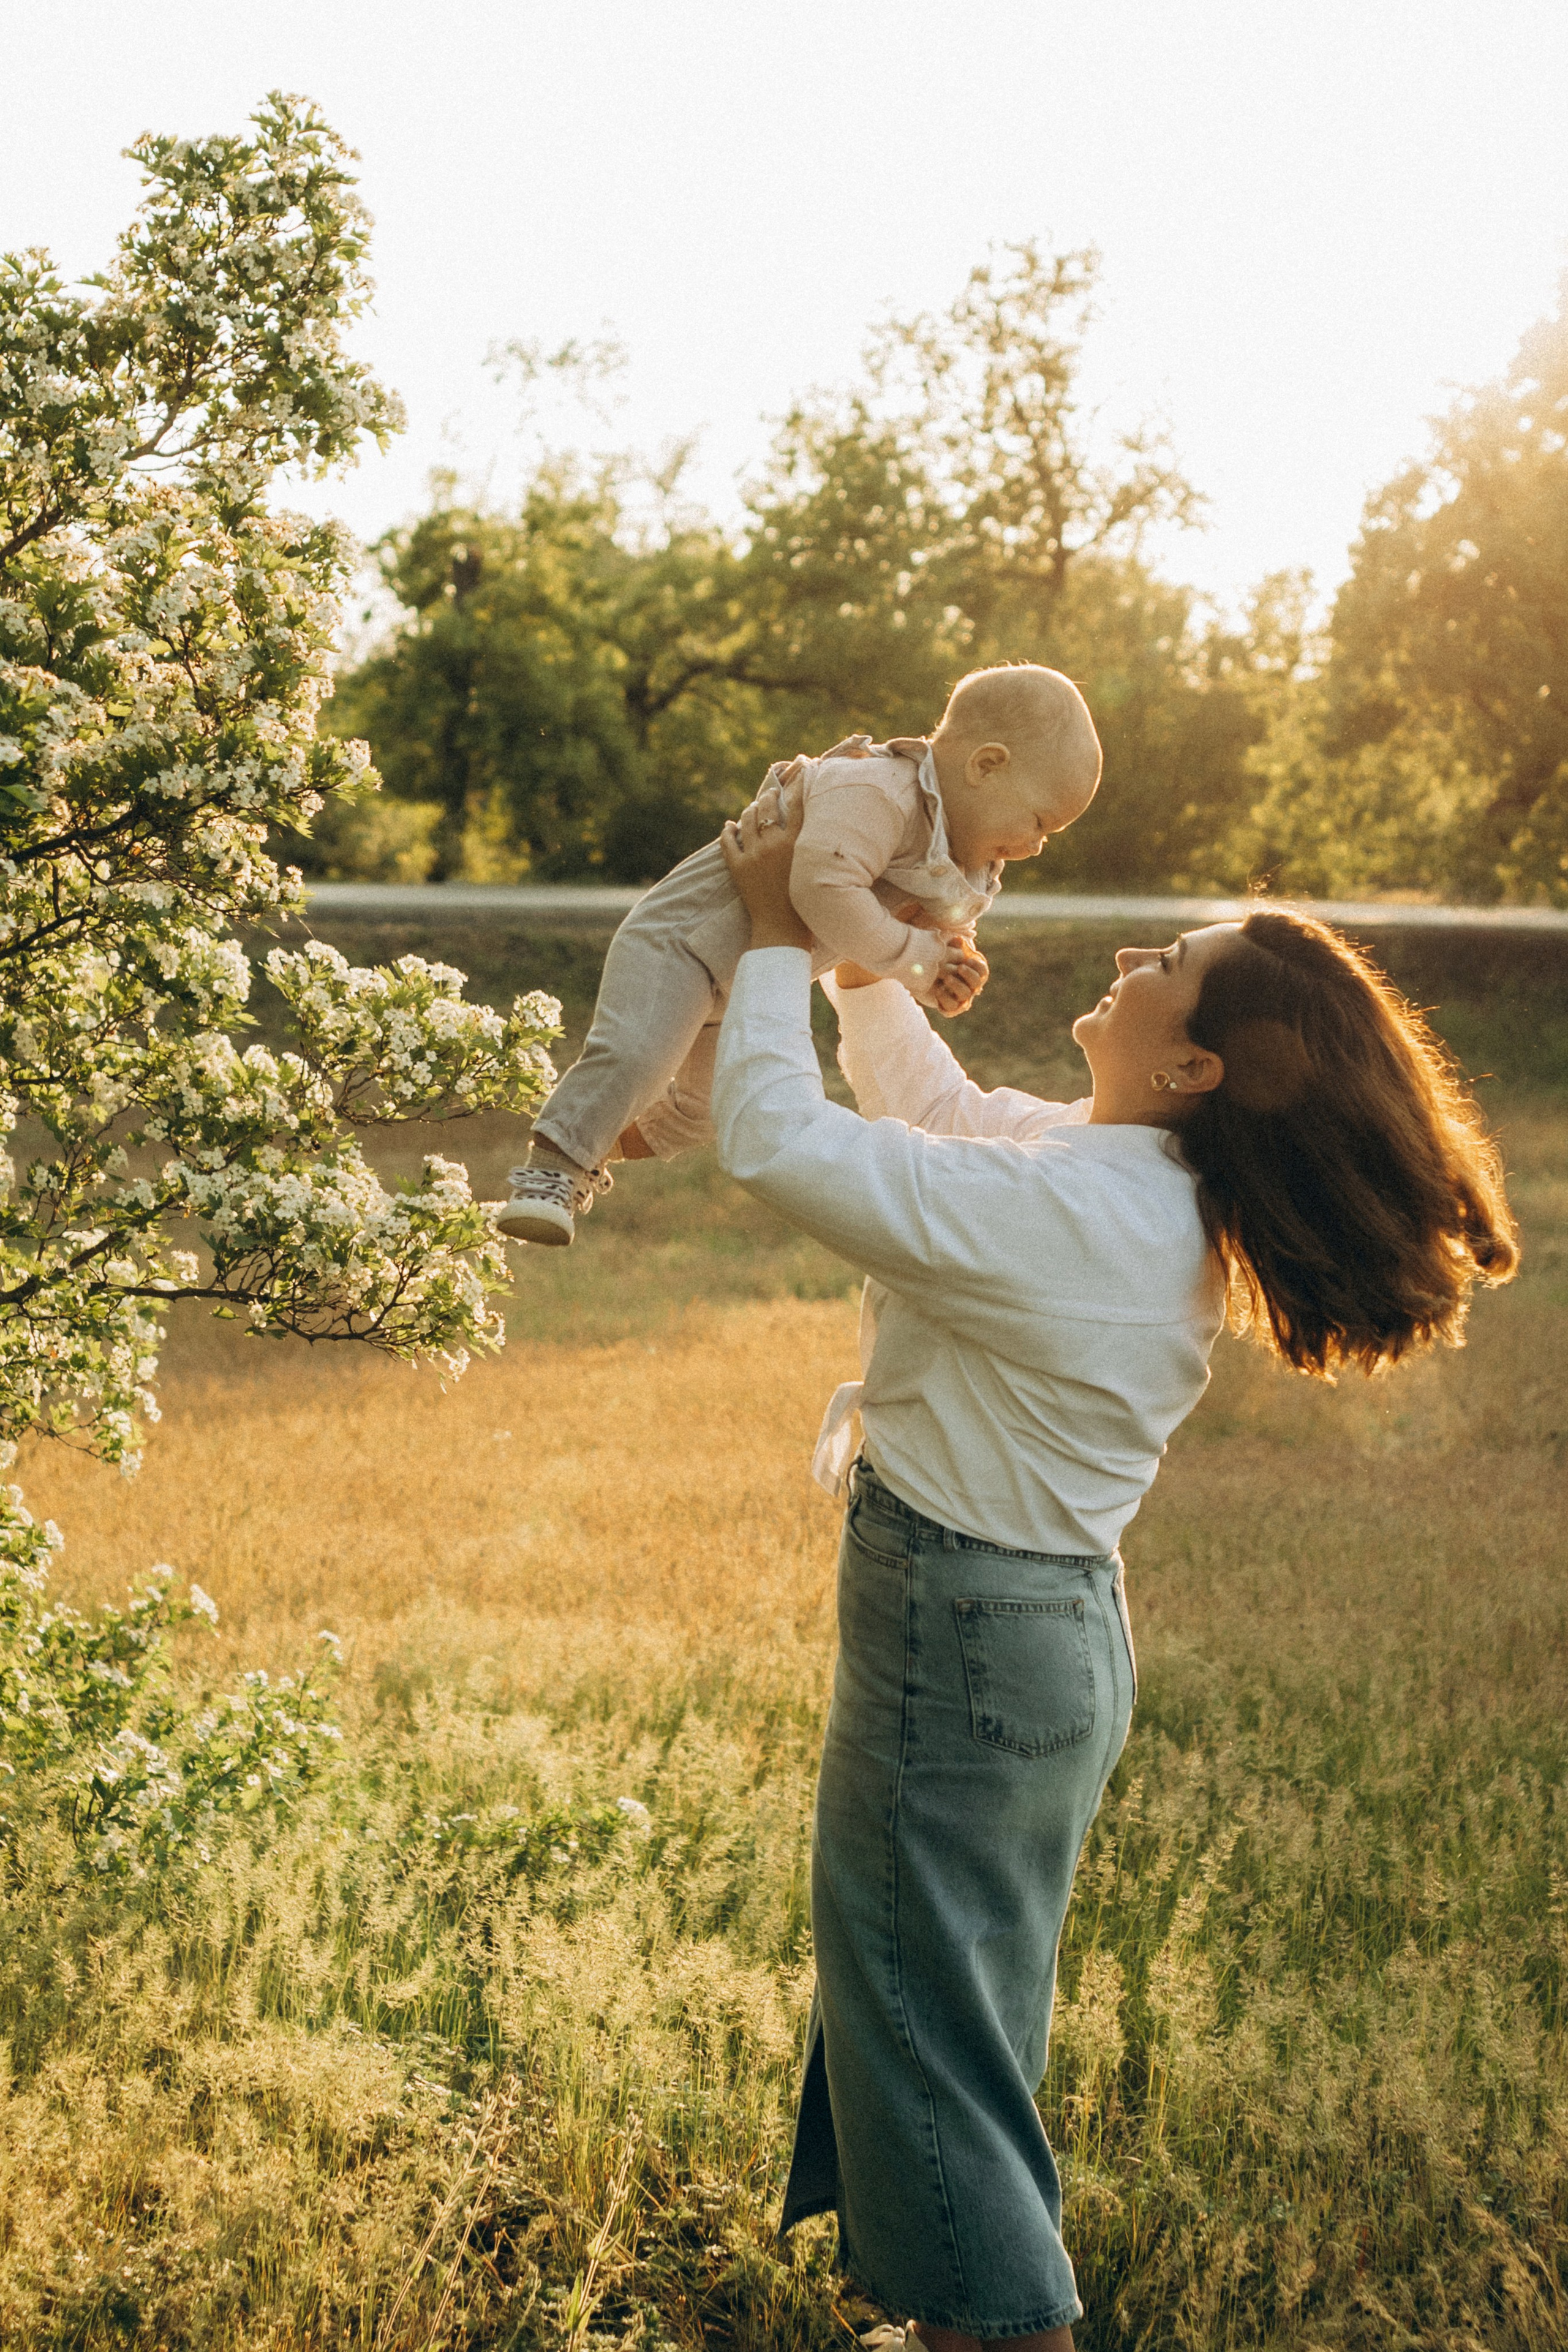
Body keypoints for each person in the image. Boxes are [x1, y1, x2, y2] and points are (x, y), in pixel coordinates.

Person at [708, 788, 1518, 2352]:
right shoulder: (1116, 1175)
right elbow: (932, 1114)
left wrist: (760, 923)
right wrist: (865, 962)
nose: (1137, 951)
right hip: (1029, 1630)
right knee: (941, 2002)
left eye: (1173, 958)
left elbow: (773, 1137)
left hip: (970, 1632)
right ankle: (951, 2301)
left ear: (1191, 1062)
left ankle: (998, 2319)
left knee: (925, 2018)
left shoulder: (1085, 1208)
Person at [497, 664, 1101, 1245]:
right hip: (685, 944)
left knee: (706, 1112)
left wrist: (940, 970)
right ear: (986, 766)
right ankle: (552, 1167)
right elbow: (822, 889)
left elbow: (907, 938)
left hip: (741, 986)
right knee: (640, 1055)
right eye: (1042, 821)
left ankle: (590, 1145)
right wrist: (916, 954)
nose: (1037, 846)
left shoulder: (948, 849)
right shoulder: (877, 791)